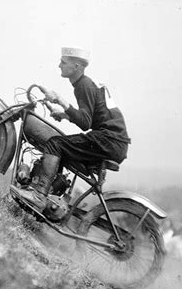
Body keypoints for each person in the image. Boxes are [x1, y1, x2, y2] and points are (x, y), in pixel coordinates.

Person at [10, 47, 131, 212]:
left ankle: (38, 196)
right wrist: (65, 115)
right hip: (112, 141)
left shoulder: (84, 85)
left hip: (108, 140)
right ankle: (47, 193)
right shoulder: (86, 83)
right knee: (62, 145)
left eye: (63, 62)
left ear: (76, 67)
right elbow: (89, 116)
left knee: (55, 144)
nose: (59, 65)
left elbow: (85, 123)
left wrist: (61, 101)